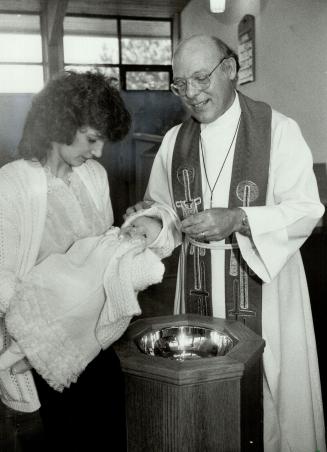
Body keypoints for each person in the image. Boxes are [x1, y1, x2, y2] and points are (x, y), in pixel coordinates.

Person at [126, 35, 326, 452]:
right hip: (198, 286)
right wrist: (149, 224)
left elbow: (309, 208)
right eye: (181, 84)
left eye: (200, 78)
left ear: (231, 69)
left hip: (266, 287)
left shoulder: (278, 130)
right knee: (205, 402)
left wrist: (240, 218)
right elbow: (165, 211)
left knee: (272, 397)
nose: (192, 94)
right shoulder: (173, 142)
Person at [0, 70, 131, 452]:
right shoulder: (12, 185)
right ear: (61, 125)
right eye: (92, 139)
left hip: (95, 341)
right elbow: (3, 278)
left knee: (109, 435)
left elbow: (102, 257)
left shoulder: (94, 176)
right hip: (40, 348)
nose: (99, 152)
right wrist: (36, 342)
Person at [0, 206, 177, 393]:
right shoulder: (110, 238)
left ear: (152, 248)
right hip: (70, 285)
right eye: (134, 225)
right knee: (36, 327)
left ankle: (23, 360)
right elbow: (80, 250)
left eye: (144, 236)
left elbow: (148, 274)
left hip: (90, 307)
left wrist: (152, 259)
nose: (134, 232)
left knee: (61, 337)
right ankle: (14, 357)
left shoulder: (134, 260)